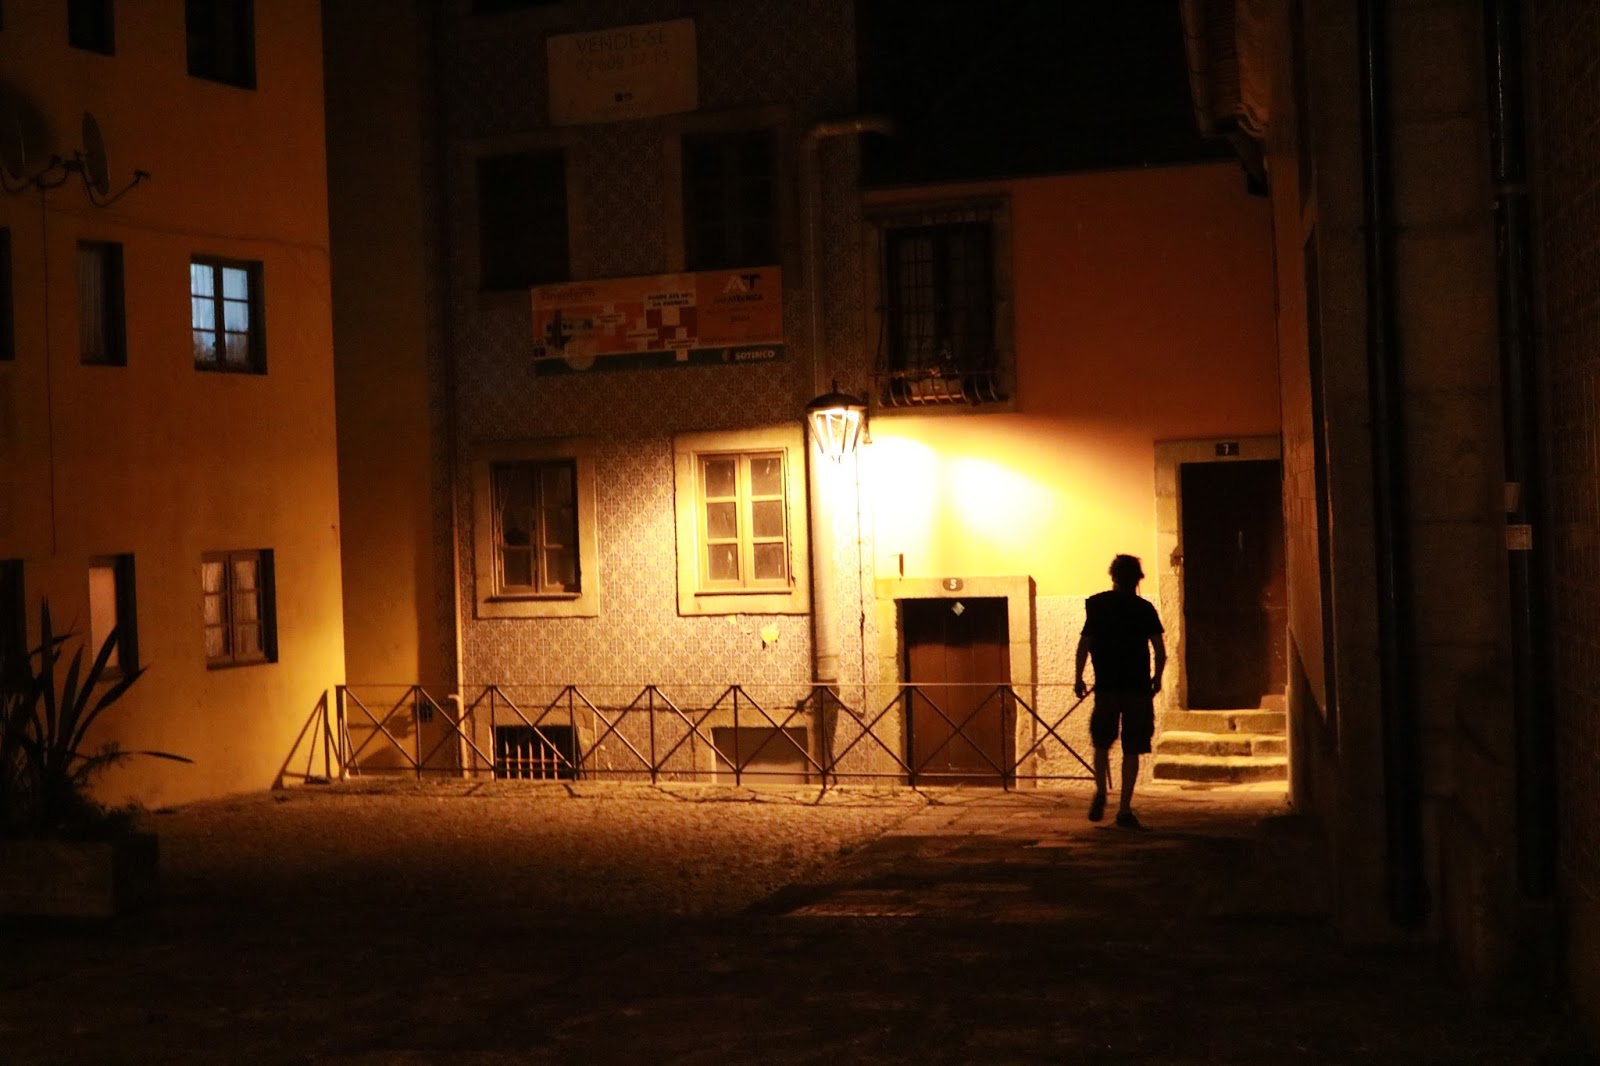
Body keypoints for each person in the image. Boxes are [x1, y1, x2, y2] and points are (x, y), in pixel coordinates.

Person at [1074, 554, 1166, 829]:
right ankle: (1124, 809)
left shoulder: (1097, 605)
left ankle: (1101, 791)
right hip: (1137, 687)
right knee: (1132, 748)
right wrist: (1157, 678)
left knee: (1101, 742)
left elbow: (1084, 644)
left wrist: (1078, 677)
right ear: (1137, 579)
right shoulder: (1145, 608)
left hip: (1107, 686)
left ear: (1113, 577)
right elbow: (1159, 650)